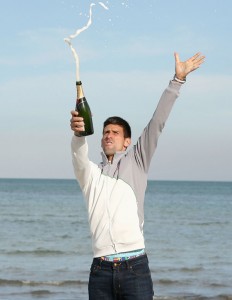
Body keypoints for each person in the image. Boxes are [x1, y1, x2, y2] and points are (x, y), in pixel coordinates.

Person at [70, 52, 205, 300]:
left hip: (135, 268)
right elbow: (78, 155)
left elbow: (157, 123)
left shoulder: (138, 160)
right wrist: (79, 134)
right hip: (100, 271)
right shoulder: (91, 174)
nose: (108, 135)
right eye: (105, 132)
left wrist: (177, 80)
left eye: (115, 132)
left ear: (126, 142)